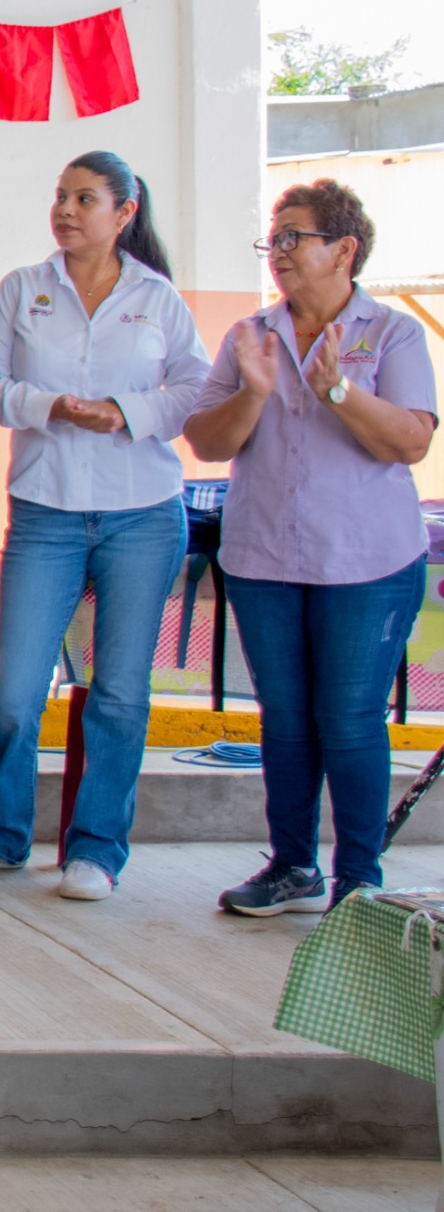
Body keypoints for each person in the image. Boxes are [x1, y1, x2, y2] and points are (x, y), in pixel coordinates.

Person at [0, 154, 208, 901]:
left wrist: (127, 413)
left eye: (84, 198)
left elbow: (194, 386)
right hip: (47, 514)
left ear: (124, 213)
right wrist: (52, 407)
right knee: (17, 689)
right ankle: (0, 833)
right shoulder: (24, 290)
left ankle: (96, 850)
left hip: (142, 516)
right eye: (59, 196)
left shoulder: (157, 298)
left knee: (119, 691)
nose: (65, 210)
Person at [186, 179, 436, 914]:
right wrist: (254, 392)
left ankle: (359, 880)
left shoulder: (391, 334)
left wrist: (340, 392)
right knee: (286, 720)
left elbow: (412, 441)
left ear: (344, 249)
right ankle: (292, 866)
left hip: (367, 565)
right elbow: (206, 439)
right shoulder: (252, 335)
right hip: (265, 560)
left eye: (295, 237)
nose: (280, 253)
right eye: (274, 239)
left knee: (351, 719)